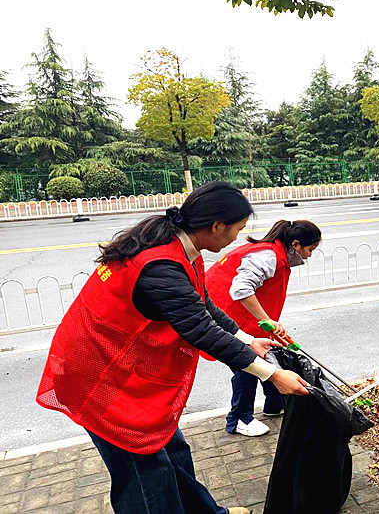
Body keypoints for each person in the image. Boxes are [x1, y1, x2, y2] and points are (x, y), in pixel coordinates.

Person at [36, 181, 310, 514]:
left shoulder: (182, 250)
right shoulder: (160, 265)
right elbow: (200, 331)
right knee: (145, 476)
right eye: (237, 229)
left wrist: (247, 339)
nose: (237, 238)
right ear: (217, 226)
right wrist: (272, 375)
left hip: (123, 370)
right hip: (101, 377)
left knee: (174, 452)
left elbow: (203, 306)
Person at [206, 219, 321, 436]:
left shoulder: (277, 256)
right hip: (228, 317)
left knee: (269, 355)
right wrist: (268, 320)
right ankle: (239, 419)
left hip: (244, 319)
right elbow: (241, 290)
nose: (309, 256)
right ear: (295, 244)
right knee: (246, 365)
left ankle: (274, 404)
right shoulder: (268, 256)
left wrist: (269, 323)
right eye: (310, 249)